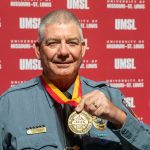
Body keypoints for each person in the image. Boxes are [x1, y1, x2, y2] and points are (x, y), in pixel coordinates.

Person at [0, 9, 150, 150]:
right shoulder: (10, 104)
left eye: (72, 43)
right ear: (38, 50)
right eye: (53, 43)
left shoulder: (111, 97)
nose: (64, 52)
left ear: (83, 48)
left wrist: (119, 117)